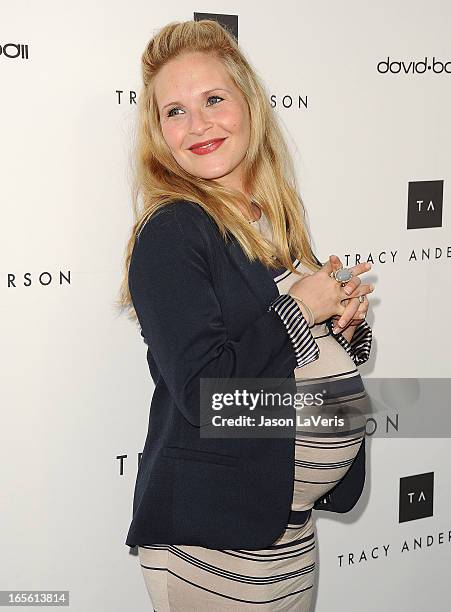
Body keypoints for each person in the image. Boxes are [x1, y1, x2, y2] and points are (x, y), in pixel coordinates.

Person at [117, 19, 374, 612]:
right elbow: (209, 391)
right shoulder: (175, 231)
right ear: (158, 134)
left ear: (249, 105)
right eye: (174, 111)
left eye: (213, 100)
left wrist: (341, 329)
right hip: (216, 546)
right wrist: (301, 307)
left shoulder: (272, 218)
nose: (198, 125)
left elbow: (282, 352)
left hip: (283, 530)